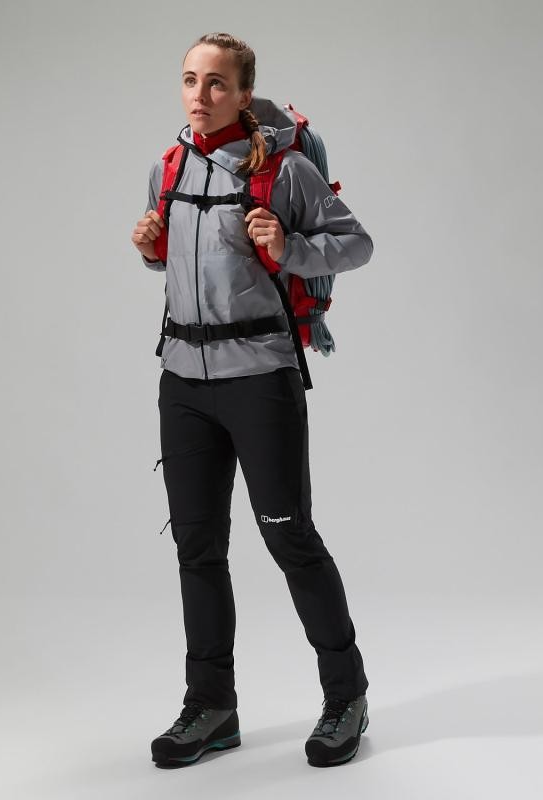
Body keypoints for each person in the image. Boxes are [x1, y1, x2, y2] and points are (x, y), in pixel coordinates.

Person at [131, 32, 373, 768]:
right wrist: (150, 246)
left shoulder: (286, 170)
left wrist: (289, 247)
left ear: (242, 94)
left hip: (261, 378)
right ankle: (211, 707)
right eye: (189, 80)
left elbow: (356, 243)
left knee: (289, 537)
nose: (199, 96)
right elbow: (185, 262)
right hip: (182, 382)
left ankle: (347, 696)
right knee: (197, 548)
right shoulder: (168, 168)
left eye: (215, 83)